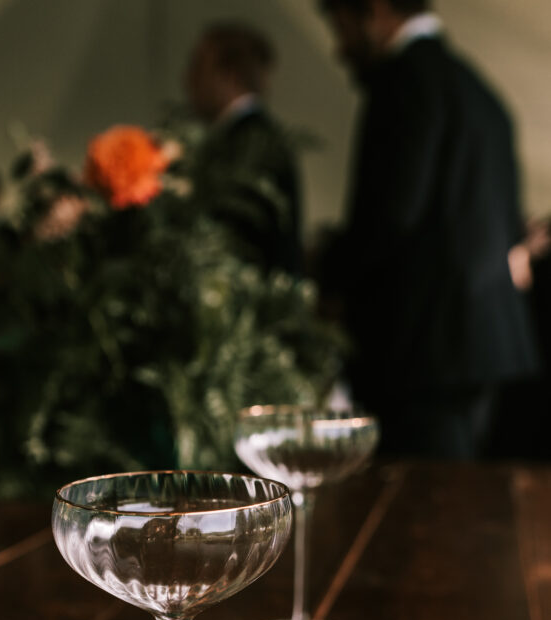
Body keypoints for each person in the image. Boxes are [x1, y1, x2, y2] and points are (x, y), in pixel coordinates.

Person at [318, 0, 539, 458]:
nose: (338, 49)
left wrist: (329, 277)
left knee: (419, 507)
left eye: (340, 27)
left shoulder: (403, 83)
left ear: (375, 13)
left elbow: (391, 214)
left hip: (424, 350)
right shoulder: (478, 89)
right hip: (484, 343)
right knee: (454, 502)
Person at [185, 22, 302, 275]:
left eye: (198, 68)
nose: (188, 80)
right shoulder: (255, 135)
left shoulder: (250, 142)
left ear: (229, 75)